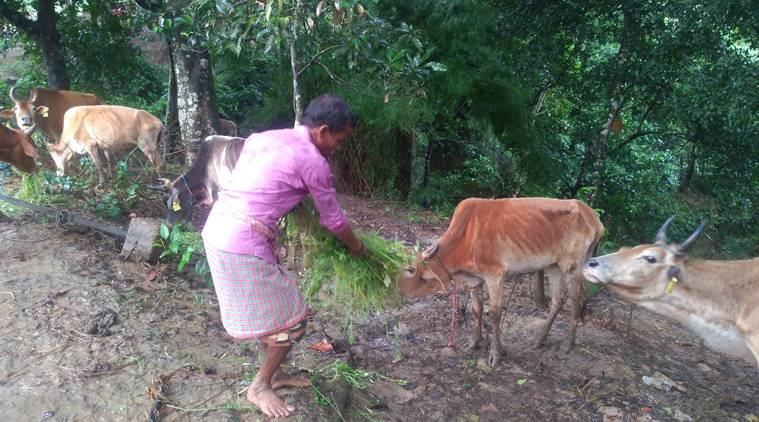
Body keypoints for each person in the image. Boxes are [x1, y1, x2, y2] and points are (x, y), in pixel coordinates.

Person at [201, 94, 366, 418]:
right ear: (322, 132)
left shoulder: (263, 138)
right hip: (241, 244)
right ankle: (260, 385)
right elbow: (333, 220)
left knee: (275, 313)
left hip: (219, 229)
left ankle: (274, 374)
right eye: (340, 140)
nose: (339, 147)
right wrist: (357, 247)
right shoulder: (313, 162)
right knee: (293, 321)